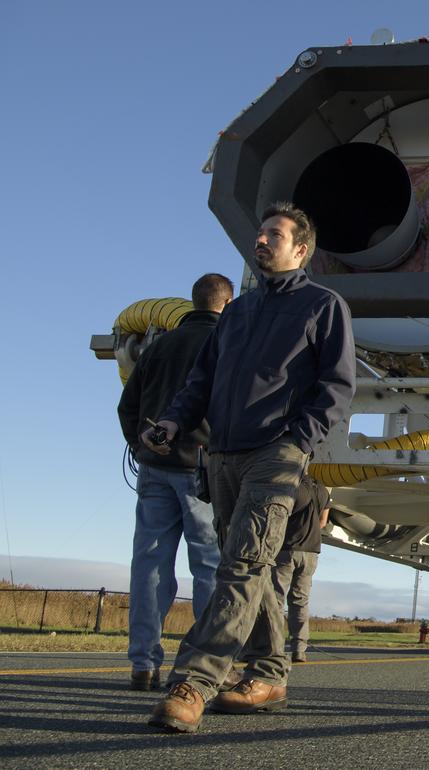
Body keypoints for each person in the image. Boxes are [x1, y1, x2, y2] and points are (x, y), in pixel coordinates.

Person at [141, 201, 355, 733]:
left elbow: (336, 387)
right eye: (260, 234)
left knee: (241, 563)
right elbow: (201, 381)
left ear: (300, 250)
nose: (261, 241)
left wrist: (295, 442)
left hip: (275, 454)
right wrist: (172, 422)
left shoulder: (322, 306)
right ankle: (267, 672)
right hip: (221, 456)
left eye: (274, 235)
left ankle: (194, 681)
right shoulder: (236, 313)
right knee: (250, 567)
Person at [117, 273, 233, 691]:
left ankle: (143, 663)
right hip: (202, 468)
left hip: (153, 466)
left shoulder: (159, 345)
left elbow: (127, 405)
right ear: (227, 303)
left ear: (193, 301)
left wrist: (142, 443)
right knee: (209, 566)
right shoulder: (226, 344)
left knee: (149, 564)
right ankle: (201, 666)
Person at [235, 473, 330, 677]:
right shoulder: (323, 489)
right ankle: (299, 649)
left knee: (275, 599)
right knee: (300, 601)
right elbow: (323, 522)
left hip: (287, 548)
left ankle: (272, 648)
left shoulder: (292, 484)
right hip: (312, 550)